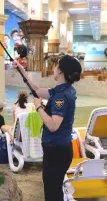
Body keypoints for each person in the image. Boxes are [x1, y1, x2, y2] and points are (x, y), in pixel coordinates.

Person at [12, 55, 82, 201]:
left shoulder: (60, 96)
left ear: (61, 71)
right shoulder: (63, 90)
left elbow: (53, 125)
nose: (53, 68)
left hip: (56, 150)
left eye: (56, 65)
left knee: (52, 191)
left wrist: (38, 107)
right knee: (54, 188)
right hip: (59, 149)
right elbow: (36, 90)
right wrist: (21, 70)